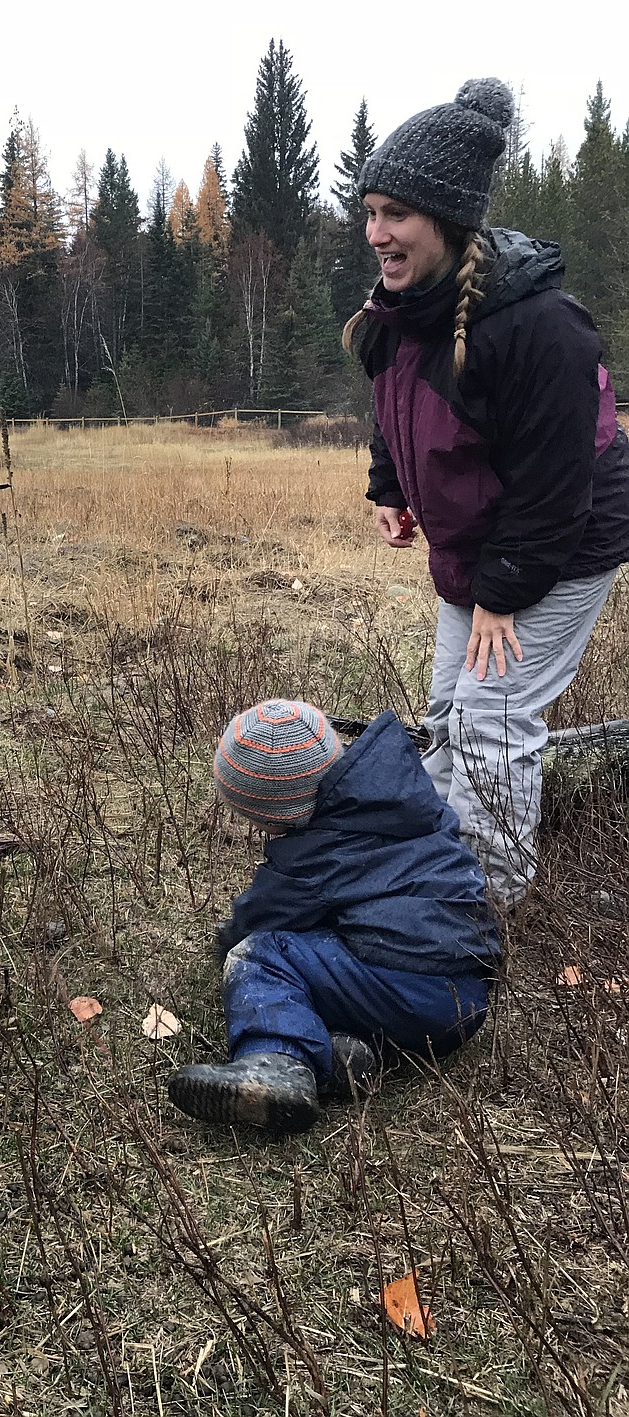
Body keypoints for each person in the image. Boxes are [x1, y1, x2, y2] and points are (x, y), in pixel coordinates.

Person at [343, 78, 629, 908]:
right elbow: (393, 408)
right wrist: (389, 484)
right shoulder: (399, 311)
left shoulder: (542, 327)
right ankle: (434, 852)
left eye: (395, 213)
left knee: (493, 720)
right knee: (449, 708)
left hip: (563, 544)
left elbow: (553, 486)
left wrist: (503, 594)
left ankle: (481, 904)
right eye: (369, 212)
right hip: (484, 543)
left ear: (446, 217)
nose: (376, 234)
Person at [167, 700, 501, 1133]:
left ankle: (276, 1063)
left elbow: (260, 919)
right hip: (467, 1000)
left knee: (262, 954)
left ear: (275, 814)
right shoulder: (409, 799)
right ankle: (349, 1057)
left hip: (405, 988)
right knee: (336, 949)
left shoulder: (312, 855)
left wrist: (226, 946)